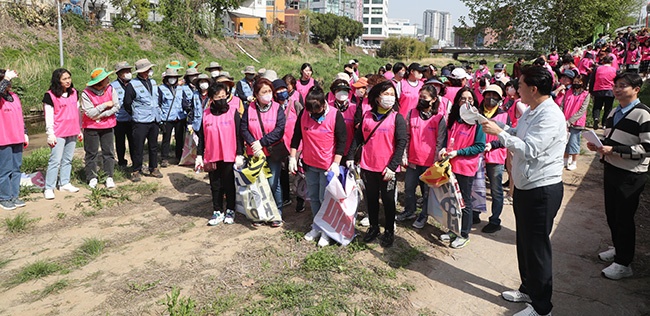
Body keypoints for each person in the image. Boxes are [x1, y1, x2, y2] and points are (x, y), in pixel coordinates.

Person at [481, 65, 566, 316]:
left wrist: (500, 134)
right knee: (525, 243)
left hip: (542, 189)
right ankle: (528, 289)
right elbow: (518, 133)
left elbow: (529, 150)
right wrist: (499, 128)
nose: (516, 88)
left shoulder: (550, 115)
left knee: (538, 249)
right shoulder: (532, 110)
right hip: (526, 187)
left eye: (519, 85)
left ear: (533, 88)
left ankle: (541, 308)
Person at [587, 73, 650, 280]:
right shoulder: (614, 111)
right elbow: (609, 137)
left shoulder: (643, 114)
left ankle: (624, 263)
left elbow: (647, 148)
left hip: (631, 173)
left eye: (623, 86)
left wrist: (613, 149)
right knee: (612, 214)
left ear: (636, 89)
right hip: (612, 167)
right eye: (616, 85)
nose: (617, 89)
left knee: (624, 217)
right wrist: (598, 144)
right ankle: (618, 249)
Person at [347, 81, 407, 248]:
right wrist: (351, 155)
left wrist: (393, 167)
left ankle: (389, 231)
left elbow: (402, 143)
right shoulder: (367, 116)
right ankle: (373, 228)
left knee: (388, 201)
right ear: (377, 97)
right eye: (385, 94)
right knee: (371, 199)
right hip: (368, 166)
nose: (389, 98)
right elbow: (358, 138)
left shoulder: (397, 118)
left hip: (387, 169)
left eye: (392, 95)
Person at [289, 86, 347, 247]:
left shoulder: (335, 115)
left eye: (317, 110)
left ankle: (327, 231)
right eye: (311, 112)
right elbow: (296, 136)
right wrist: (292, 157)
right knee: (313, 197)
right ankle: (317, 225)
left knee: (325, 198)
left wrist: (336, 163)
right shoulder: (304, 114)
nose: (313, 114)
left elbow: (342, 141)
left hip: (327, 166)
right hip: (310, 164)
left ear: (323, 104)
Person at [437, 87, 486, 248]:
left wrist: (459, 152)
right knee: (452, 200)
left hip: (465, 168)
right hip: (451, 167)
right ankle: (453, 229)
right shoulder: (455, 121)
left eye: (469, 99)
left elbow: (479, 146)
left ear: (474, 103)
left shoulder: (478, 123)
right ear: (457, 102)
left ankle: (464, 234)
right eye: (463, 99)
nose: (466, 102)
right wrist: (445, 149)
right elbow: (450, 141)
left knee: (464, 201)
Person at [195, 83, 244, 226]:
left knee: (229, 184)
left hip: (229, 154)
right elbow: (202, 136)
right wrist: (199, 155)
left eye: (224, 96)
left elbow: (238, 134)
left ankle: (230, 209)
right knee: (215, 185)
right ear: (211, 99)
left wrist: (239, 153)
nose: (222, 99)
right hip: (212, 155)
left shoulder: (233, 112)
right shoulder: (206, 114)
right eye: (218, 97)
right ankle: (217, 210)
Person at [240, 78, 286, 227]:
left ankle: (276, 212)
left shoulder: (277, 108)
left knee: (273, 182)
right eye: (264, 92)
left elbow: (279, 130)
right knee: (256, 184)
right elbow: (244, 128)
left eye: (269, 91)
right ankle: (259, 214)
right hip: (254, 153)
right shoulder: (250, 108)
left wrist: (262, 143)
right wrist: (254, 143)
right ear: (256, 95)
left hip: (272, 151)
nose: (268, 95)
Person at [399, 85, 446, 224]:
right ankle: (409, 211)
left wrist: (436, 162)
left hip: (429, 162)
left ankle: (423, 215)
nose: (421, 100)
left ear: (433, 99)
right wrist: (404, 154)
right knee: (409, 188)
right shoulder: (411, 113)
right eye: (420, 97)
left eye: (424, 97)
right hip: (413, 160)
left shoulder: (439, 118)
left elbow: (440, 140)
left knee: (427, 192)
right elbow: (407, 136)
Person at [43, 68, 83, 200]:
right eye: (64, 79)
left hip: (72, 130)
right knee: (55, 160)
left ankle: (64, 182)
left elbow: (78, 112)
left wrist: (80, 129)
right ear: (57, 81)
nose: (67, 81)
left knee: (68, 159)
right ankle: (49, 187)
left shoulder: (74, 93)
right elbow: (48, 116)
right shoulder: (50, 96)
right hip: (58, 132)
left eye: (69, 78)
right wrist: (50, 133)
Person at [477, 85, 510, 233]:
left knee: (496, 190)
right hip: (476, 155)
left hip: (496, 157)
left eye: (495, 95)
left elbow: (508, 137)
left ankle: (495, 220)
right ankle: (475, 213)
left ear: (500, 98)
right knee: (476, 187)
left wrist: (493, 144)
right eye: (488, 94)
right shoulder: (476, 113)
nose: (491, 98)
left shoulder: (504, 115)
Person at [123, 58, 162, 181]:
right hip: (140, 121)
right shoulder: (132, 85)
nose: (148, 71)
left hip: (154, 119)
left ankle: (153, 168)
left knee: (153, 145)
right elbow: (127, 103)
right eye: (146, 69)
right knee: (138, 146)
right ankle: (136, 170)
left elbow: (158, 99)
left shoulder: (154, 82)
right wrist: (135, 113)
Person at [80, 68, 120, 189]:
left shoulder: (111, 89)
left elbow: (116, 106)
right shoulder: (85, 93)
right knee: (91, 153)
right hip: (91, 128)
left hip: (108, 125)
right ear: (100, 81)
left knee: (108, 152)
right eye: (106, 78)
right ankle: (91, 177)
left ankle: (109, 176)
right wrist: (105, 105)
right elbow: (90, 113)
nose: (108, 80)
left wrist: (100, 115)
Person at [274, 79, 305, 213]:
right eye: (278, 90)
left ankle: (301, 199)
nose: (282, 92)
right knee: (282, 173)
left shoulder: (295, 105)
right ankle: (286, 197)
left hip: (297, 146)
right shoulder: (273, 107)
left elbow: (303, 122)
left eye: (283, 89)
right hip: (280, 146)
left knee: (300, 174)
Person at [0, 69, 28, 210]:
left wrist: (25, 133)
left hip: (17, 137)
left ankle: (14, 195)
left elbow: (20, 117)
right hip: (3, 139)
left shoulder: (14, 96)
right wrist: (5, 78)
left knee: (16, 169)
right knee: (4, 170)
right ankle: (4, 197)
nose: (9, 83)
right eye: (7, 81)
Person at [158, 68, 189, 167]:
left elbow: (184, 102)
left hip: (180, 117)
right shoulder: (161, 89)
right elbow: (159, 104)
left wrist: (188, 109)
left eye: (174, 78)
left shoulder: (180, 89)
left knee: (179, 138)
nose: (173, 79)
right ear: (166, 78)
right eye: (170, 77)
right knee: (166, 139)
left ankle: (179, 156)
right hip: (167, 118)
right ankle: (164, 158)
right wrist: (160, 119)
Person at [561, 75, 590, 171]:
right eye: (575, 82)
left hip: (576, 122)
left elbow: (582, 110)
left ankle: (574, 161)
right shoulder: (568, 92)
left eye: (579, 82)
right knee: (565, 142)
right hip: (565, 120)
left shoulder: (586, 94)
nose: (576, 84)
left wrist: (570, 121)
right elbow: (563, 105)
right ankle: (565, 160)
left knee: (574, 142)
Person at [111, 62, 135, 169]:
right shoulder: (113, 86)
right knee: (120, 142)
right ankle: (121, 162)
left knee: (134, 141)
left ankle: (135, 162)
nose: (128, 73)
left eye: (129, 71)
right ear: (119, 74)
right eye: (125, 71)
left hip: (133, 118)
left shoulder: (134, 84)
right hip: (119, 119)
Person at [590, 55, 617, 129]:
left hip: (598, 90)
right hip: (610, 91)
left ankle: (596, 118)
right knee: (608, 108)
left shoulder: (597, 69)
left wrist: (591, 91)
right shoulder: (614, 70)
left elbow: (592, 80)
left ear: (603, 61)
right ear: (611, 62)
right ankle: (604, 123)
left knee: (597, 107)